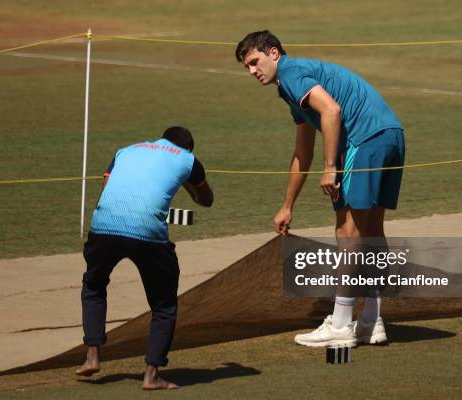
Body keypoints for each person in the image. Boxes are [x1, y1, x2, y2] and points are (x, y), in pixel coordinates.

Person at [235, 31, 405, 347]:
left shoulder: (291, 73)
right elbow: (303, 152)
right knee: (372, 231)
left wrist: (330, 168)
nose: (252, 71)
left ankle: (341, 324)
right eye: (247, 67)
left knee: (348, 232)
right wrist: (287, 205)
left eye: (254, 62)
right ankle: (371, 319)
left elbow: (331, 111)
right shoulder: (291, 90)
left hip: (365, 140)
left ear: (273, 52)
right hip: (391, 135)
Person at [76, 126, 214, 389]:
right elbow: (205, 199)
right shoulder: (188, 160)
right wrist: (187, 183)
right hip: (147, 231)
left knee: (93, 286)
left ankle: (91, 357)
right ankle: (151, 375)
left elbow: (106, 186)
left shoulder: (126, 151)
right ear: (188, 148)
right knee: (164, 305)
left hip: (103, 224)